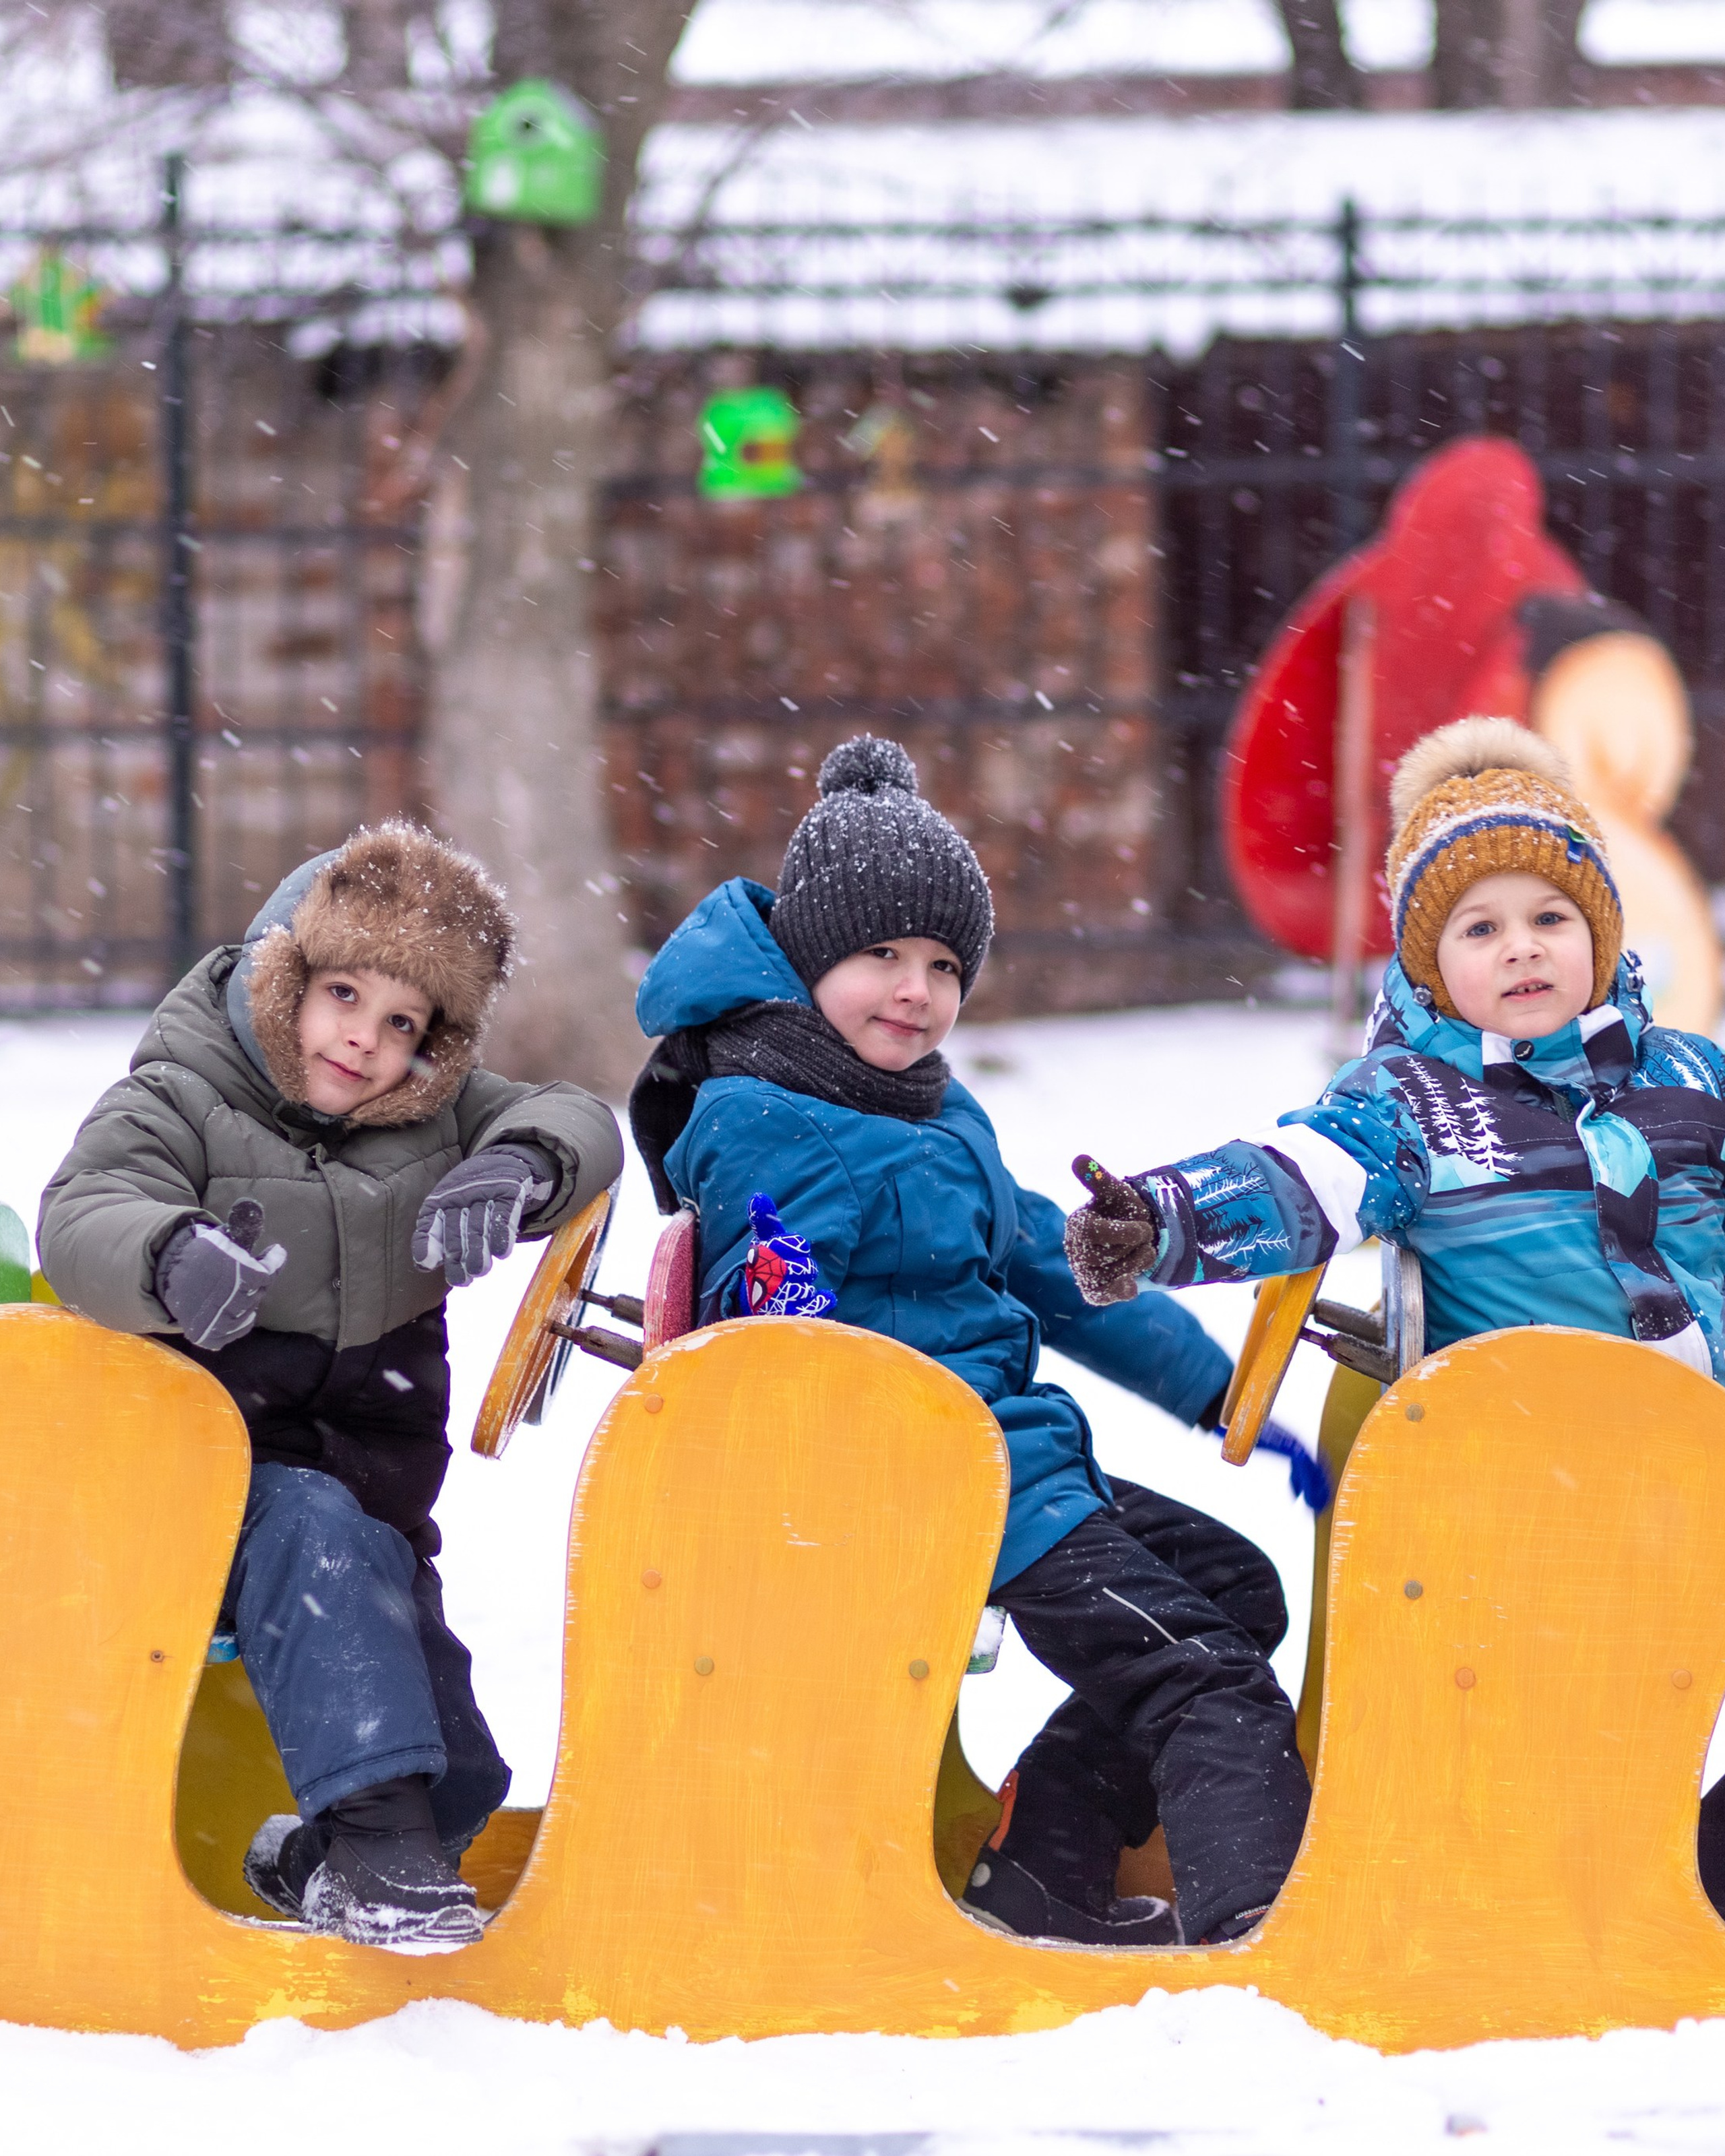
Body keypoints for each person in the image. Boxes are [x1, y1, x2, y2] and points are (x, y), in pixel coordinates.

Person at [629, 735, 1316, 1950]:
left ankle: (1046, 1870)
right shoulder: (771, 1117)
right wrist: (786, 1322)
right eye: (880, 955)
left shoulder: (927, 1109)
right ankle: (1262, 1934)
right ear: (805, 959)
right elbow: (781, 1325)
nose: (915, 990)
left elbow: (1042, 1258)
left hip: (1011, 1463)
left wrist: (1215, 1388)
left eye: (944, 964)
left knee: (1231, 1590)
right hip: (919, 1477)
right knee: (1200, 1672)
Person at [1063, 714, 1725, 1916]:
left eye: (1551, 918)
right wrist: (1161, 1221)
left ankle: (1693, 1878)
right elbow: (1298, 1178)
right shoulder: (1411, 1103)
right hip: (1539, 1469)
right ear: (1431, 966)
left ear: (1602, 934)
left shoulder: (1690, 1077)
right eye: (1481, 928)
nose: (1522, 950)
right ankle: (1544, 1879)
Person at [39, 823, 622, 1950]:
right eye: (345, 994)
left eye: (403, 1022)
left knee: (457, 1778)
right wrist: (170, 1254)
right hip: (204, 1502)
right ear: (284, 977)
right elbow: (84, 1216)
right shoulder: (179, 1095)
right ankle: (373, 1862)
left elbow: (580, 1118)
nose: (365, 1039)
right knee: (310, 1531)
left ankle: (322, 1859)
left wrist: (518, 1161)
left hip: (371, 1521)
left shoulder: (435, 1115)